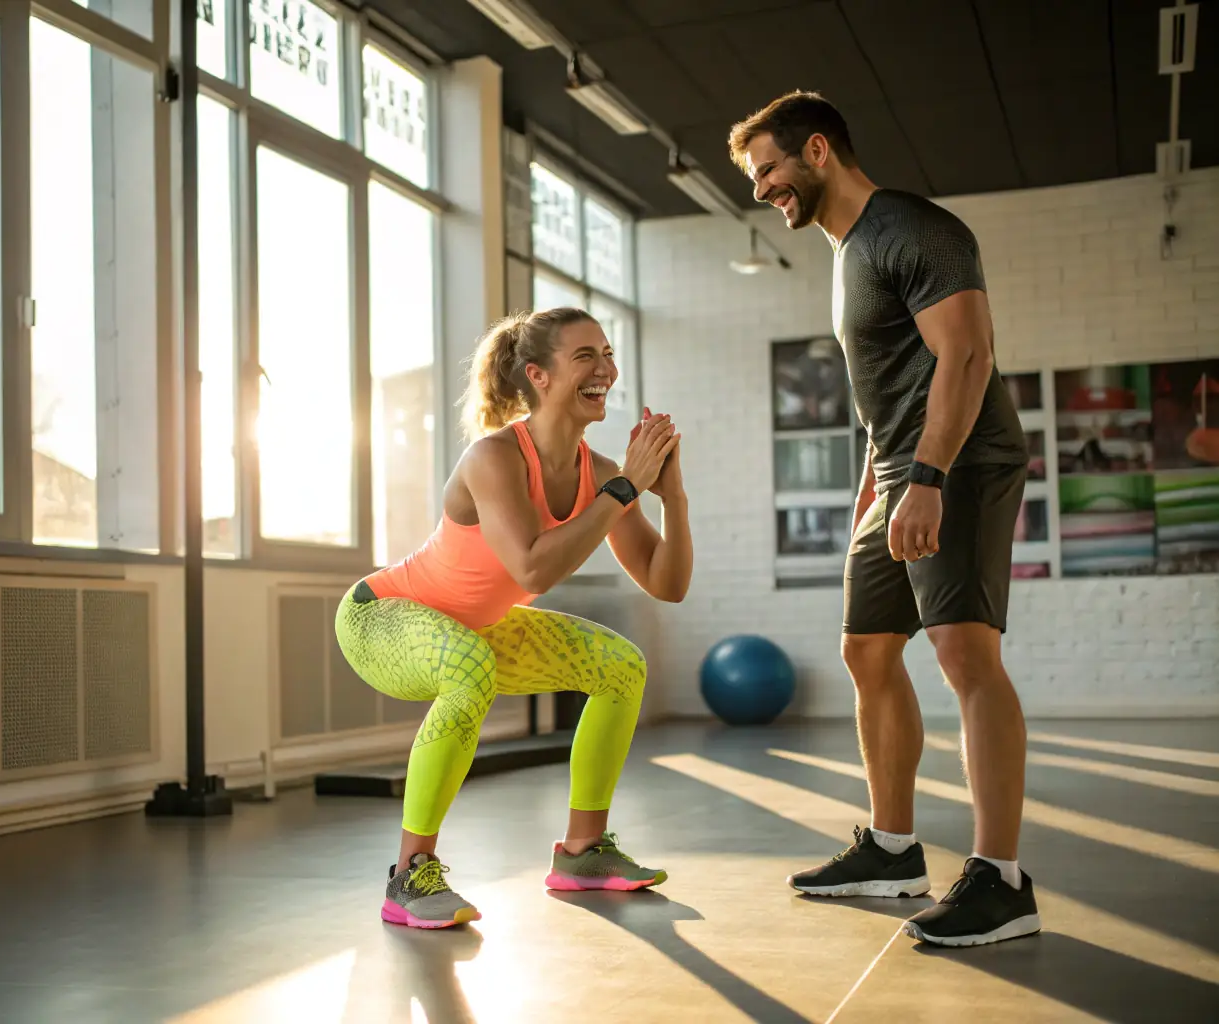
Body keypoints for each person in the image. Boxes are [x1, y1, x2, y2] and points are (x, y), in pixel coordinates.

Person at [727, 91, 1040, 948]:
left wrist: (930, 476)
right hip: (900, 472)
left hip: (960, 460)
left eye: (768, 171)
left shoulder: (912, 228)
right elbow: (887, 389)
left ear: (817, 150)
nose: (762, 190)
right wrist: (879, 487)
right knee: (865, 649)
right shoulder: (846, 253)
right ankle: (893, 851)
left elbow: (965, 353)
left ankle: (1001, 881)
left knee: (963, 652)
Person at [334, 306, 694, 930]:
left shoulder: (602, 474)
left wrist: (673, 496)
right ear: (540, 375)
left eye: (608, 354)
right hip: (381, 617)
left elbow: (667, 583)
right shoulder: (495, 458)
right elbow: (532, 571)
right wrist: (624, 490)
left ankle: (583, 852)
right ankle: (409, 877)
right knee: (467, 667)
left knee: (619, 665)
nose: (606, 368)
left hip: (473, 628)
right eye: (586, 356)